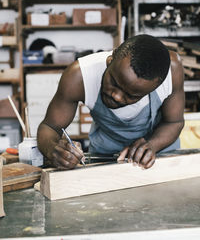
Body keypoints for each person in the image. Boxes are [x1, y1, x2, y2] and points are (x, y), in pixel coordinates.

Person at [37, 34, 185, 170]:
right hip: (105, 155)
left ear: (154, 88)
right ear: (110, 61)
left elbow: (174, 122)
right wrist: (53, 149)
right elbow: (49, 126)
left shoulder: (172, 71)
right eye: (114, 82)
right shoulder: (79, 76)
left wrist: (152, 145)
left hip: (159, 152)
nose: (117, 96)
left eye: (131, 95)